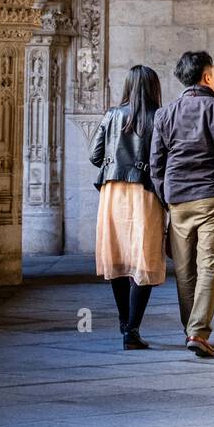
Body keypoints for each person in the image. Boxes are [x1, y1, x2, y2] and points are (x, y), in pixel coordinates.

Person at [150, 51, 214, 359]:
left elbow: (156, 165)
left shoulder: (164, 115)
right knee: (209, 267)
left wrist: (166, 198)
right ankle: (198, 332)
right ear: (207, 76)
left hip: (179, 200)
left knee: (184, 270)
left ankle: (190, 330)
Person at [89, 65, 165, 350]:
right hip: (145, 192)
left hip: (112, 192)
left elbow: (94, 156)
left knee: (118, 257)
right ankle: (132, 330)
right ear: (154, 87)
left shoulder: (111, 115)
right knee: (143, 258)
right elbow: (163, 160)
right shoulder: (160, 117)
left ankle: (124, 324)